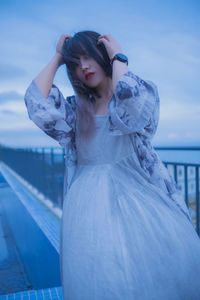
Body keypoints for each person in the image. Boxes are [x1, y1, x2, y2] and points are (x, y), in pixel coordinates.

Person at [24, 30, 200, 300]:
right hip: (87, 210)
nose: (83, 66)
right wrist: (58, 57)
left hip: (141, 200)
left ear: (101, 55)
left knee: (153, 274)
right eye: (75, 63)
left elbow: (134, 103)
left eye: (88, 57)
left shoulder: (134, 95)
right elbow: (36, 103)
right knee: (104, 278)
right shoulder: (76, 111)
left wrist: (118, 57)